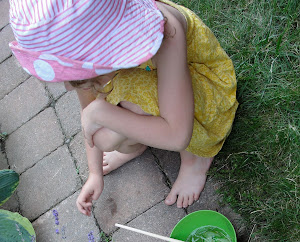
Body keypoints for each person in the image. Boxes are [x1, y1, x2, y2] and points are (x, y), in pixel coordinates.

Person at [9, 0, 238, 216]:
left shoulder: (167, 30)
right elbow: (89, 114)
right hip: (163, 94)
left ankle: (194, 160)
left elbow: (178, 135)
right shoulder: (98, 35)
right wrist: (95, 172)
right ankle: (141, 141)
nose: (68, 86)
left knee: (111, 121)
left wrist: (100, 112)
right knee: (104, 136)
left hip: (206, 93)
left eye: (72, 74)